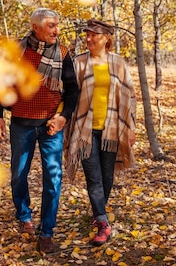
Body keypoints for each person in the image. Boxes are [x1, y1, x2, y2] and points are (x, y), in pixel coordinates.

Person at [0, 8, 79, 254]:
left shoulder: (62, 53)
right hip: (21, 124)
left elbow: (73, 90)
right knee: (19, 174)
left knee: (53, 177)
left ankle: (47, 232)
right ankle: (23, 215)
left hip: (51, 126)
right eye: (51, 26)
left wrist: (63, 117)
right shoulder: (17, 51)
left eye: (57, 25)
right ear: (36, 28)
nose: (57, 31)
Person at [64, 19, 137, 246]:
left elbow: (130, 96)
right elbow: (66, 94)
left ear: (106, 38)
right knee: (93, 178)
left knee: (107, 177)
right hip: (84, 129)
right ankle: (104, 223)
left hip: (112, 129)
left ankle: (99, 213)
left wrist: (131, 127)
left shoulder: (118, 63)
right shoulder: (78, 62)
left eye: (94, 34)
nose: (89, 38)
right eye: (87, 34)